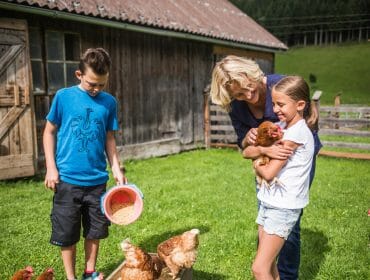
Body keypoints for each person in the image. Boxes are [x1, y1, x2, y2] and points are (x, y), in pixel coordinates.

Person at [210, 55, 322, 279]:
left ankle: (287, 274)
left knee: (289, 221)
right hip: (265, 159)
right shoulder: (236, 107)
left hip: (289, 160)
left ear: (253, 75)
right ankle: (270, 266)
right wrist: (252, 141)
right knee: (266, 211)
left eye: (249, 88)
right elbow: (243, 145)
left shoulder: (280, 87)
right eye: (239, 95)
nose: (248, 97)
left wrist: (272, 152)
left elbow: (306, 123)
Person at [43, 48, 126, 280]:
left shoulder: (109, 102)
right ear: (79, 74)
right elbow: (49, 132)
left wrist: (116, 169)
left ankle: (89, 273)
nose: (97, 89)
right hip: (67, 180)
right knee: (67, 232)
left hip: (97, 181)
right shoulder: (63, 97)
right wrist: (51, 167)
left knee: (95, 230)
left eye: (102, 84)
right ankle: (71, 278)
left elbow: (110, 138)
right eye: (92, 84)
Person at [251, 75, 315, 279]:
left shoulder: (295, 134)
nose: (276, 109)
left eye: (281, 104)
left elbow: (269, 172)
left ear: (300, 105)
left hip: (283, 207)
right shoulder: (284, 128)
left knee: (259, 268)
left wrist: (256, 162)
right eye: (274, 103)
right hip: (269, 201)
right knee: (270, 267)